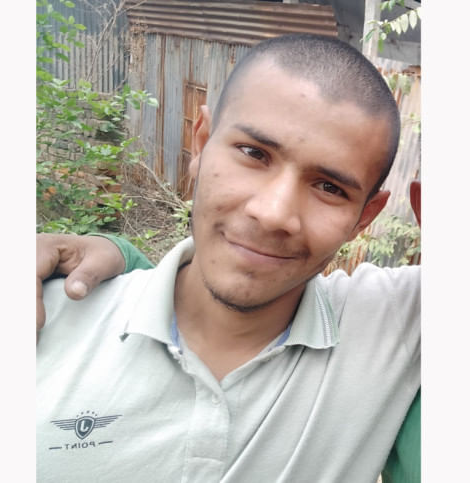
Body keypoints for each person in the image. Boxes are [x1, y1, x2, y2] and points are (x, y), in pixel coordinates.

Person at [37, 34, 419, 482]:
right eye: (254, 154)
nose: (273, 213)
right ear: (200, 144)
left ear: (365, 216)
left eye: (329, 188)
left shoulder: (394, 326)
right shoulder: (50, 320)